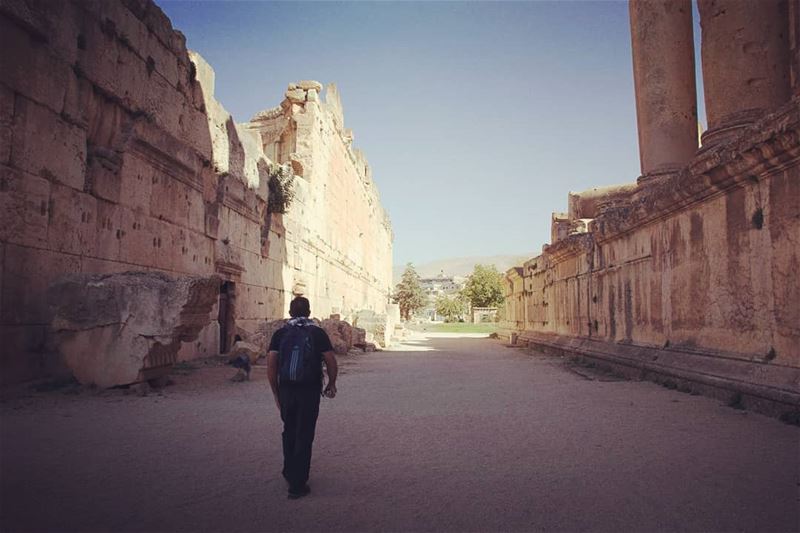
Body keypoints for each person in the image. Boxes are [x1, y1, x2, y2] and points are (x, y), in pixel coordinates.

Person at [267, 296, 338, 499]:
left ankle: (290, 473)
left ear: (290, 312)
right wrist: (332, 384)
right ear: (308, 312)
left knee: (289, 430)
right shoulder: (317, 333)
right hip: (309, 389)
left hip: (287, 389)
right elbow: (331, 361)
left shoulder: (280, 334)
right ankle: (298, 484)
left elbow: (271, 364)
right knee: (305, 432)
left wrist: (276, 392)